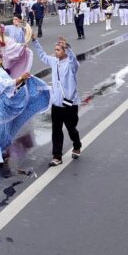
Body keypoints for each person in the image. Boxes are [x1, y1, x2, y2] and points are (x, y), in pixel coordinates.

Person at [32, 36, 82, 166]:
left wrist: (68, 47)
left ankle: (77, 145)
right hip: (57, 104)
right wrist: (34, 41)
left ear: (64, 51)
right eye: (55, 50)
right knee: (56, 130)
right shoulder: (54, 61)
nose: (55, 52)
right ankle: (57, 156)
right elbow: (42, 55)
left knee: (71, 129)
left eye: (58, 50)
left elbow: (74, 60)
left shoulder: (71, 65)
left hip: (70, 104)